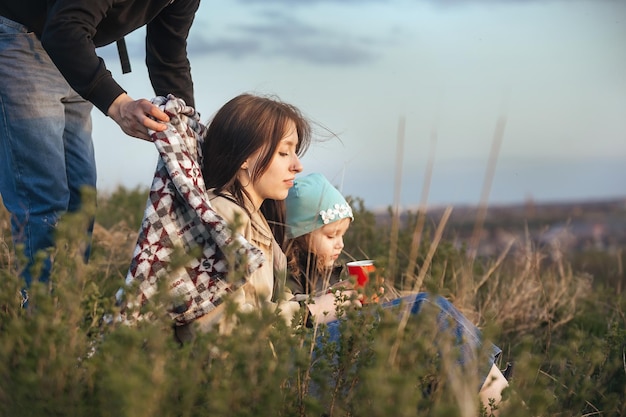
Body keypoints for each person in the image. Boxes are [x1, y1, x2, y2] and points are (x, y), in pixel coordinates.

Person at [0, 1, 199, 289]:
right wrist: (119, 105)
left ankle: (65, 316)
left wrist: (188, 137)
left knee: (79, 200)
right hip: (23, 36)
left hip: (77, 47)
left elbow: (169, 57)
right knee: (44, 197)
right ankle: (37, 324)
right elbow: (63, 29)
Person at [283, 172, 509, 412]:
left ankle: (493, 386)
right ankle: (501, 397)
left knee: (431, 323)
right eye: (331, 235)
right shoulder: (283, 277)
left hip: (329, 358)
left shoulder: (323, 275)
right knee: (428, 308)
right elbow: (296, 319)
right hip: (301, 367)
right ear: (299, 236)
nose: (340, 244)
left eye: (342, 235)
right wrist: (328, 303)